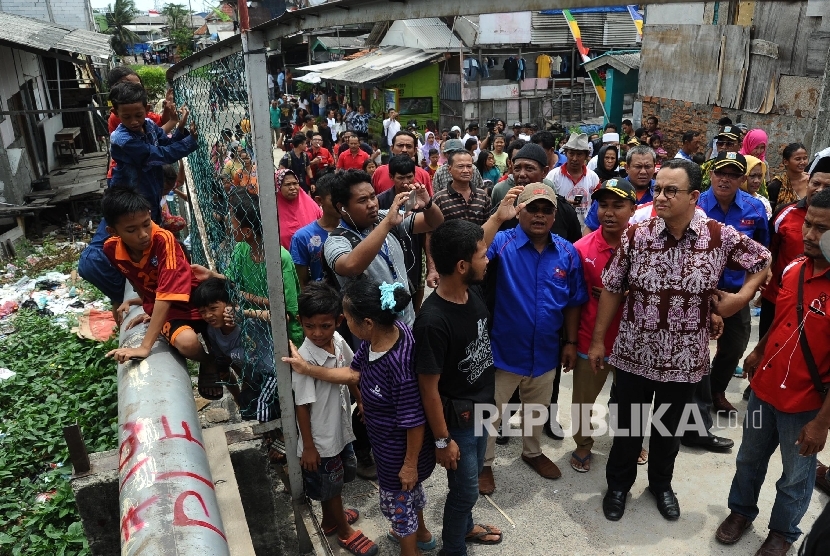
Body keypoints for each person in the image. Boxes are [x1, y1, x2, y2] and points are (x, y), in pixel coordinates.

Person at [588, 158, 770, 522]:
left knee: (668, 429)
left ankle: (661, 485)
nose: (661, 197)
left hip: (684, 358)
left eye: (671, 190)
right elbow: (611, 288)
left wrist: (740, 298)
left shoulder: (718, 236)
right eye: (658, 189)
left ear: (693, 197)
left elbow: (762, 259)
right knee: (628, 427)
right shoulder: (637, 235)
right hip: (633, 352)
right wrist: (597, 342)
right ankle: (619, 486)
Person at [715, 187, 830, 556]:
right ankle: (741, 512)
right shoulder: (795, 268)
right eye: (808, 224)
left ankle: (782, 532)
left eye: (821, 229)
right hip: (766, 387)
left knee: (796, 477)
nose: (809, 235)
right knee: (749, 457)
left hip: (806, 404)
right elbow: (782, 320)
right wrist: (758, 352)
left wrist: (821, 424)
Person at [286, 279, 436, 556]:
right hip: (396, 452)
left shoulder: (396, 366)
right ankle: (422, 535)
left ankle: (410, 551)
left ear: (366, 323)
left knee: (399, 505)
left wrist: (409, 465)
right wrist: (308, 369)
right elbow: (355, 373)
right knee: (410, 495)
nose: (341, 325)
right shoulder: (388, 334)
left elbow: (414, 420)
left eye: (345, 320)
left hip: (398, 458)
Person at [415, 213, 526, 555]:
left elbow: (480, 239)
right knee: (465, 491)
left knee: (474, 472)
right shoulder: (433, 321)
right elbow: (428, 388)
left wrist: (498, 216)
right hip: (456, 420)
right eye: (482, 254)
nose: (488, 257)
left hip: (480, 408)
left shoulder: (468, 288)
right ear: (462, 265)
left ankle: (465, 528)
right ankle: (453, 549)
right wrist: (442, 439)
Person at [478, 182, 588, 494]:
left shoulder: (567, 252)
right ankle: (483, 463)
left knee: (536, 409)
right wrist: (499, 217)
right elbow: (476, 250)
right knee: (490, 412)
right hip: (503, 350)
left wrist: (569, 342)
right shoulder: (503, 241)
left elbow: (573, 302)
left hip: (546, 351)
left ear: (554, 215)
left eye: (546, 210)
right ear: (520, 212)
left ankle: (532, 452)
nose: (539, 215)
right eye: (532, 209)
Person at [79, 81, 197, 314]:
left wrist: (181, 130)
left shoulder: (150, 126)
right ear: (115, 114)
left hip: (146, 200)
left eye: (138, 115)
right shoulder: (122, 139)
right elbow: (160, 154)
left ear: (146, 109)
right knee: (100, 265)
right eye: (127, 117)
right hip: (129, 202)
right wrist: (192, 141)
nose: (133, 121)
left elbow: (166, 143)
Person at [101, 186, 223, 401]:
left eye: (146, 224)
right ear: (114, 232)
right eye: (131, 230)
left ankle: (241, 397)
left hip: (198, 300)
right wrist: (148, 304)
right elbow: (137, 279)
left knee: (228, 355)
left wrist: (144, 346)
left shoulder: (164, 240)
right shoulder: (111, 249)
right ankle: (208, 361)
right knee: (187, 343)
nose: (143, 234)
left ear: (150, 216)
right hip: (172, 310)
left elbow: (166, 294)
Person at [285, 282, 371, 555]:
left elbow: (351, 371)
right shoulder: (304, 361)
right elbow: (301, 407)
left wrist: (361, 400)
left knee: (337, 479)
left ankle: (330, 519)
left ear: (339, 321)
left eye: (325, 326)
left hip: (340, 430)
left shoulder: (337, 341)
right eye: (310, 326)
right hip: (321, 441)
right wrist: (308, 446)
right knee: (330, 485)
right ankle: (344, 531)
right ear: (301, 322)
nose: (317, 333)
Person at [685, 152, 768, 424]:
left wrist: (746, 294)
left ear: (742, 179)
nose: (725, 179)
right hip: (694, 292)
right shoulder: (694, 206)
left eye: (733, 175)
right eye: (721, 173)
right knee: (693, 348)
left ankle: (716, 390)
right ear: (711, 174)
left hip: (734, 294)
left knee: (735, 346)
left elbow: (763, 256)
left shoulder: (754, 210)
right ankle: (693, 402)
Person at [569, 178, 638, 473]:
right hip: (591, 338)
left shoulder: (645, 246)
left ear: (633, 208)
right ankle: (583, 444)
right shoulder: (581, 249)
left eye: (618, 206)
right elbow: (573, 301)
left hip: (634, 340)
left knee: (632, 399)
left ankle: (631, 441)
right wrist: (571, 342)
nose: (608, 212)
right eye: (603, 205)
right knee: (584, 398)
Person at [324, 169, 444, 327]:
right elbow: (350, 266)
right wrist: (387, 223)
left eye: (373, 196)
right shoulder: (336, 240)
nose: (372, 204)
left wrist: (428, 204)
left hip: (407, 326)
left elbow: (434, 223)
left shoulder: (382, 217)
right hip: (373, 338)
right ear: (342, 208)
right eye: (362, 200)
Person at [760, 157, 830, 349]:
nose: (820, 190)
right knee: (767, 351)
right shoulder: (785, 213)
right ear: (808, 182)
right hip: (777, 298)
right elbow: (768, 251)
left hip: (818, 305)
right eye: (816, 183)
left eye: (828, 186)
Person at [192, 277, 280, 421]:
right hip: (256, 380)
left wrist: (243, 313)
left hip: (274, 374)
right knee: (246, 403)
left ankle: (276, 435)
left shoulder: (248, 322)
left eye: (213, 309)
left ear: (230, 304)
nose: (208, 315)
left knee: (254, 408)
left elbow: (280, 316)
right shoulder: (213, 332)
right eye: (203, 312)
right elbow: (227, 363)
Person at [489, 142, 582, 243]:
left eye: (529, 168)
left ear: (544, 172)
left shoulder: (564, 210)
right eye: (517, 168)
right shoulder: (504, 209)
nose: (522, 174)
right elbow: (483, 247)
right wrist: (497, 219)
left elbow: (576, 248)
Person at [376, 155, 430, 312]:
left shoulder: (418, 199)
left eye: (409, 177)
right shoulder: (381, 201)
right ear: (391, 177)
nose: (406, 182)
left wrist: (431, 266)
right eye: (401, 178)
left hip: (415, 254)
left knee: (416, 293)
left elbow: (427, 232)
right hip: (390, 257)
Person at [583, 145, 657, 233]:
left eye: (648, 167)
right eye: (638, 167)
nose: (643, 172)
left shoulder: (661, 193)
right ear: (627, 168)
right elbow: (591, 228)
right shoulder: (610, 190)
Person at [291, 172, 341, 287]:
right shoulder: (302, 237)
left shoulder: (355, 228)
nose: (340, 204)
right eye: (334, 199)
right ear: (319, 201)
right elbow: (302, 282)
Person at [546, 133, 600, 225]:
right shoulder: (553, 176)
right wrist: (563, 205)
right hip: (560, 227)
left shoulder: (593, 177)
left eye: (579, 154)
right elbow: (546, 202)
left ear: (586, 156)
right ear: (566, 153)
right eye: (571, 153)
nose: (574, 158)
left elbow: (598, 205)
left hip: (585, 229)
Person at [433, 150, 491, 227]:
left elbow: (489, 226)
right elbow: (432, 230)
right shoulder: (439, 199)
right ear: (449, 169)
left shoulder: (483, 196)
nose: (466, 171)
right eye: (460, 166)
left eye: (469, 166)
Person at [275, 168, 322, 250]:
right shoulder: (273, 210)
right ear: (278, 187)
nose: (292, 187)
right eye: (287, 184)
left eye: (295, 183)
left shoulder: (309, 204)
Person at [768, 143, 810, 210]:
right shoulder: (777, 185)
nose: (803, 162)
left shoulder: (811, 182)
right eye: (798, 159)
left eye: (805, 158)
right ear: (785, 162)